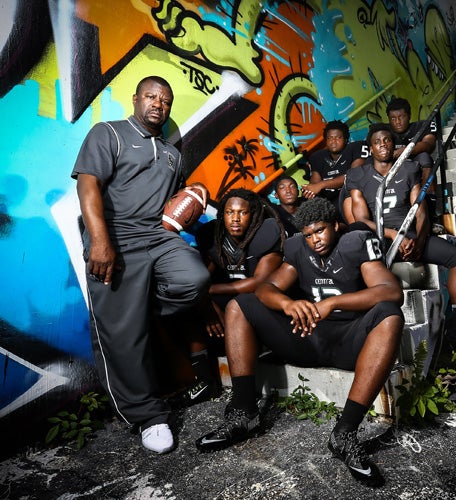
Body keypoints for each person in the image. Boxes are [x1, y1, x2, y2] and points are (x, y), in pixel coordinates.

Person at [195, 197, 404, 487]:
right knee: (239, 305)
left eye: (320, 231)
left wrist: (334, 304)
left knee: (390, 314)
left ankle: (344, 433)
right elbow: (266, 287)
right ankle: (244, 411)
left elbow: (391, 291)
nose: (315, 240)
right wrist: (287, 304)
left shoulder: (356, 242)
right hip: (307, 337)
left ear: (334, 225)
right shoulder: (296, 248)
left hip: (349, 341)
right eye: (308, 235)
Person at [71, 76, 211, 454]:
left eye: (165, 101)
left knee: (194, 278)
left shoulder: (172, 154)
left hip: (156, 236)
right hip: (115, 238)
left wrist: (194, 197)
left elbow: (172, 207)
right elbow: (87, 186)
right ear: (136, 99)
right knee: (122, 335)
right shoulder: (109, 133)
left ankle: (138, 307)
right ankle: (148, 417)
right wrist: (100, 241)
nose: (158, 104)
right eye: (151, 96)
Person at [347, 123, 456, 358]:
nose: (383, 145)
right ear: (370, 149)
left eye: (387, 140)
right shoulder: (359, 176)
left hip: (410, 237)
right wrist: (393, 235)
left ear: (394, 145)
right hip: (382, 239)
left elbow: (419, 209)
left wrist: (420, 239)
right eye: (378, 142)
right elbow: (361, 220)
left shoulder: (408, 168)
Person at [179, 189, 285, 405]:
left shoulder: (266, 232)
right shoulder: (213, 236)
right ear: (222, 215)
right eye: (229, 212)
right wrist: (206, 302)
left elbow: (259, 281)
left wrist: (211, 291)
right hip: (229, 301)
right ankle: (205, 380)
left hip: (259, 304)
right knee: (188, 305)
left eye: (242, 213)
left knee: (241, 303)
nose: (235, 219)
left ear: (253, 215)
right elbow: (199, 280)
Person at [386, 97, 441, 225]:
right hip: (395, 173)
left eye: (401, 117)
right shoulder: (384, 133)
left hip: (416, 167)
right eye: (393, 118)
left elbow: (429, 144)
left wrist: (406, 151)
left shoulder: (421, 126)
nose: (398, 122)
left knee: (425, 157)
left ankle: (430, 202)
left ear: (409, 116)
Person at [302, 120, 365, 220]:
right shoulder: (317, 157)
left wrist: (321, 185)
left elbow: (352, 176)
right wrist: (310, 191)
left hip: (350, 199)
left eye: (338, 138)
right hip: (329, 204)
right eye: (330, 138)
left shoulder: (356, 148)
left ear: (346, 139)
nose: (333, 141)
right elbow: (315, 183)